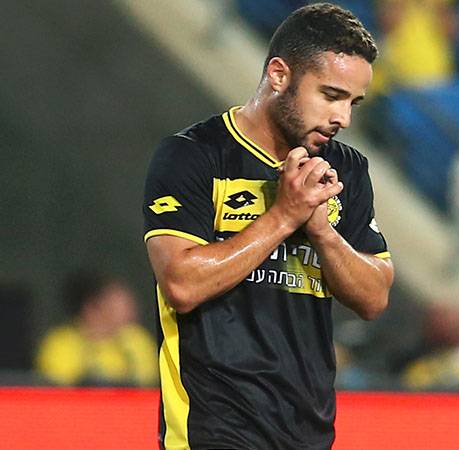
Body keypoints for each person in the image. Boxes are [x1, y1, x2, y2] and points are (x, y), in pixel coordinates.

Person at [143, 3, 394, 449]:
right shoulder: (194, 156)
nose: (343, 118)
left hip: (307, 434)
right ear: (279, 75)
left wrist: (323, 233)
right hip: (211, 431)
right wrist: (283, 216)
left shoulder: (346, 170)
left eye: (353, 102)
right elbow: (181, 283)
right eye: (331, 95)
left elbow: (375, 297)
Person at [35, 269, 158, 387]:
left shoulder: (137, 340)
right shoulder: (61, 345)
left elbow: (150, 385)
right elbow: (56, 391)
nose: (128, 307)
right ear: (92, 306)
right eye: (115, 302)